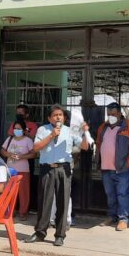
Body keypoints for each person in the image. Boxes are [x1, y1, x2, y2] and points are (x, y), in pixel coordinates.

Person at [25, 105, 90, 247]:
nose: (58, 117)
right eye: (55, 115)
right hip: (47, 169)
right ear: (49, 118)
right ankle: (40, 232)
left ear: (64, 118)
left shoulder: (70, 131)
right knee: (44, 201)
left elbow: (84, 147)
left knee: (63, 202)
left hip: (63, 169)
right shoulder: (43, 130)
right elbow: (36, 148)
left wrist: (85, 133)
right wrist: (51, 135)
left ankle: (60, 235)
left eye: (60, 115)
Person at [95, 102, 129, 231]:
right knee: (110, 194)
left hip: (122, 168)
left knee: (122, 194)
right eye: (109, 114)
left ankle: (123, 219)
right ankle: (111, 216)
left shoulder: (128, 126)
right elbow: (98, 143)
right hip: (106, 168)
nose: (111, 116)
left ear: (120, 113)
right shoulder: (103, 127)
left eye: (114, 114)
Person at [0, 120, 35, 220]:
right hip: (10, 170)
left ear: (23, 130)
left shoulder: (28, 140)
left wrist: (22, 156)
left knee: (23, 192)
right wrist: (9, 154)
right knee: (10, 191)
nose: (16, 130)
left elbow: (34, 154)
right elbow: (2, 150)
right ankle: (11, 210)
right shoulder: (9, 139)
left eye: (19, 129)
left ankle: (23, 212)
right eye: (15, 128)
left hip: (23, 170)